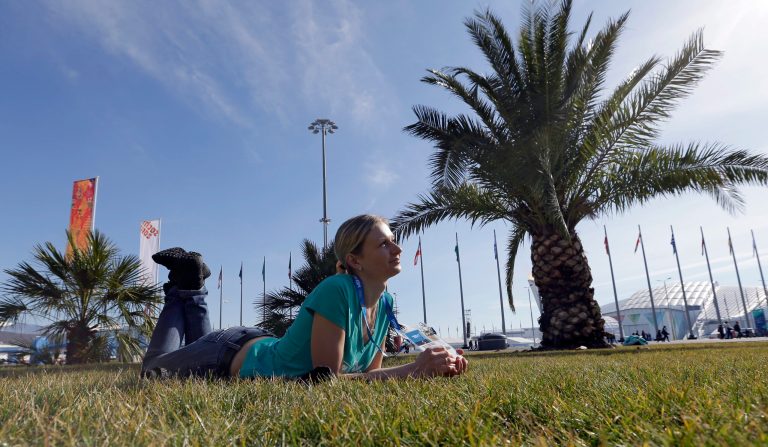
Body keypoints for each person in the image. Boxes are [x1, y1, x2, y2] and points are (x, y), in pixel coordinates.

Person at [141, 214, 468, 381]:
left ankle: (191, 287)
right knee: (151, 372)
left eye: (393, 241)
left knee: (193, 352)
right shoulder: (337, 289)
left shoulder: (385, 303)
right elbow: (326, 380)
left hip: (247, 346)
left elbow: (369, 378)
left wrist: (436, 365)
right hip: (228, 353)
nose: (397, 249)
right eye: (384, 244)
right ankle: (185, 287)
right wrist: (414, 370)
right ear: (355, 260)